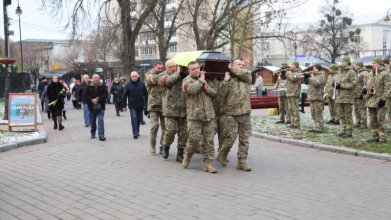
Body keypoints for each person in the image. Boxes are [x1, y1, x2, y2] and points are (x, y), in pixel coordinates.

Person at [181, 62, 217, 173]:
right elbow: (192, 89)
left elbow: (214, 94)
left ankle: (208, 163)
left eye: (198, 68)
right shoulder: (186, 81)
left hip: (208, 115)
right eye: (193, 69)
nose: (197, 70)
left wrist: (207, 88)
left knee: (209, 140)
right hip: (194, 116)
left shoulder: (207, 79)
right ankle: (188, 155)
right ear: (189, 70)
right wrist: (201, 80)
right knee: (193, 139)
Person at [218, 58, 252, 171]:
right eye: (239, 64)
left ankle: (241, 161)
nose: (241, 66)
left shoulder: (247, 76)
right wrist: (225, 81)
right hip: (231, 113)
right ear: (233, 65)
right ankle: (223, 152)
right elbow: (222, 94)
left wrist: (230, 68)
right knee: (230, 137)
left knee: (245, 139)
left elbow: (242, 72)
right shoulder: (228, 78)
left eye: (243, 65)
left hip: (245, 113)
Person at [158, 60, 188, 162]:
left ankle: (180, 153)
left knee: (183, 133)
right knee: (170, 130)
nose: (173, 68)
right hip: (170, 109)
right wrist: (178, 73)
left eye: (174, 66)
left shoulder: (182, 75)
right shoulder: (162, 75)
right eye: (170, 67)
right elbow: (168, 82)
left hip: (183, 109)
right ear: (166, 68)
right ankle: (165, 146)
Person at [362, 57, 391, 143]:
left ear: (379, 63)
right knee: (373, 120)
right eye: (372, 63)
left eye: (374, 63)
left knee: (380, 120)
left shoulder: (385, 73)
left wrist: (384, 99)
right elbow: (365, 84)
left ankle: (382, 137)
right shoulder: (370, 73)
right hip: (370, 100)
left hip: (380, 101)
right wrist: (364, 89)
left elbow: (388, 87)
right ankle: (375, 136)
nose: (372, 64)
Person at [145, 61, 165, 154]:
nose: (161, 70)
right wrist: (165, 76)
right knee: (155, 126)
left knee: (165, 128)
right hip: (153, 105)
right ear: (154, 67)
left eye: (162, 68)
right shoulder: (149, 74)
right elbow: (153, 80)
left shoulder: (165, 74)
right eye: (159, 68)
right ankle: (152, 144)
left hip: (165, 105)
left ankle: (162, 146)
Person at [334, 56, 357, 138]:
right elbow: (336, 80)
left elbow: (353, 84)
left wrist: (341, 86)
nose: (342, 62)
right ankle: (343, 130)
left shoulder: (351, 72)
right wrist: (335, 85)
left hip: (347, 97)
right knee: (341, 115)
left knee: (348, 115)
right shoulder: (339, 71)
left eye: (343, 61)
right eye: (341, 61)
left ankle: (349, 131)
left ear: (347, 62)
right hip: (339, 96)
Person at [122, 72, 148, 139]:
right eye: (133, 76)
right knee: (134, 118)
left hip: (140, 104)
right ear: (131, 77)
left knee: (139, 119)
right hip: (132, 104)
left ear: (138, 76)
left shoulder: (142, 84)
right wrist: (124, 106)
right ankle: (135, 133)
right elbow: (124, 96)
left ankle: (137, 130)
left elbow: (146, 94)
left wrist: (147, 103)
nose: (134, 78)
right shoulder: (128, 85)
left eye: (135, 76)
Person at [83, 74, 108, 141]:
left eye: (97, 78)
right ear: (92, 79)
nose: (96, 79)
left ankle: (101, 134)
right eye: (95, 78)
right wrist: (92, 100)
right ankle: (93, 132)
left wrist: (98, 99)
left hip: (101, 106)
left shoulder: (103, 86)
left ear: (99, 79)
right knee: (93, 120)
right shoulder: (88, 86)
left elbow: (106, 95)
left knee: (100, 120)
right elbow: (85, 96)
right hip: (92, 107)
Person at [303, 64, 326, 133]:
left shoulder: (321, 76)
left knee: (318, 113)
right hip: (312, 97)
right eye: (313, 68)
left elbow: (317, 83)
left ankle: (320, 128)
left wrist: (309, 77)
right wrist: (305, 77)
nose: (313, 69)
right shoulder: (313, 75)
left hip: (317, 97)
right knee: (313, 113)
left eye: (315, 68)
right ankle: (316, 127)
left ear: (319, 69)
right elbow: (306, 83)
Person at [280, 61, 302, 129]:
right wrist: (282, 74)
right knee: (290, 109)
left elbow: (293, 78)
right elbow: (283, 78)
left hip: (295, 92)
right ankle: (292, 122)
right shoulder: (290, 72)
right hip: (289, 92)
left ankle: (296, 123)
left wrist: (286, 73)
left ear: (296, 66)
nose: (291, 65)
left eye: (293, 65)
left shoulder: (298, 72)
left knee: (295, 109)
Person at [353, 60, 368, 129]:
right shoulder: (357, 73)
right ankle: (358, 122)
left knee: (362, 109)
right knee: (356, 109)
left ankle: (363, 123)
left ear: (359, 66)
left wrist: (363, 93)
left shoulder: (364, 73)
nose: (354, 66)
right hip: (355, 94)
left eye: (356, 65)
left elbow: (366, 83)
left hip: (361, 94)